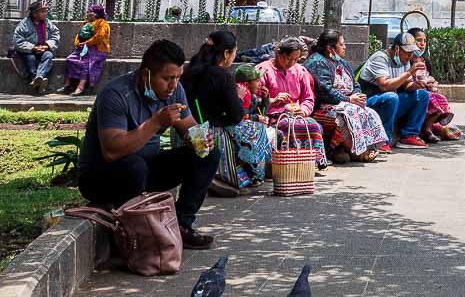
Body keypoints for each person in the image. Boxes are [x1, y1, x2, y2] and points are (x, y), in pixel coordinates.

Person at [76, 39, 218, 249]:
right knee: (135, 166)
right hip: (102, 176)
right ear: (146, 75)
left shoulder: (174, 91)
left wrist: (198, 140)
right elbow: (112, 151)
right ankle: (132, 236)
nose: (173, 85)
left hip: (145, 169)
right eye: (167, 78)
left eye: (178, 78)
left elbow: (189, 126)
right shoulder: (116, 94)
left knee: (208, 156)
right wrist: (155, 123)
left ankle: (180, 225)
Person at [181, 31, 271, 196]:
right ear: (226, 53)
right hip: (211, 132)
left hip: (187, 130)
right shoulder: (221, 76)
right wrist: (238, 97)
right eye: (235, 51)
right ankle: (237, 176)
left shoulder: (189, 71)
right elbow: (236, 116)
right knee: (257, 130)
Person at [305, 29, 389, 162]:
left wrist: (357, 96)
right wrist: (348, 99)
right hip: (324, 106)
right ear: (330, 48)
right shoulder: (317, 62)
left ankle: (365, 146)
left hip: (345, 102)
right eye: (341, 44)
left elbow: (355, 84)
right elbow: (324, 90)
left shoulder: (342, 62)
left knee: (368, 112)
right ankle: (358, 152)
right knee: (348, 114)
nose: (345, 47)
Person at [256, 36, 328, 169]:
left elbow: (308, 98)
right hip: (272, 117)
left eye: (296, 59)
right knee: (290, 126)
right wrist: (272, 100)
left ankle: (309, 162)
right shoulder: (263, 71)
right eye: (289, 58)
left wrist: (304, 110)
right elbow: (253, 101)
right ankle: (288, 163)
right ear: (278, 53)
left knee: (313, 125)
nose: (292, 63)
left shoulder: (300, 71)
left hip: (296, 114)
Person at [358, 33, 430, 149]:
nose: (409, 56)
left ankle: (409, 135)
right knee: (391, 96)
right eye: (407, 52)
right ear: (397, 48)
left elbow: (407, 85)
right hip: (370, 103)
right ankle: (382, 140)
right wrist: (409, 73)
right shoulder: (380, 58)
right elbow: (384, 86)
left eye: (411, 52)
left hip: (391, 103)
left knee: (422, 95)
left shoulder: (405, 62)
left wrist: (417, 85)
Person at [409, 28, 461, 142]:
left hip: (425, 90)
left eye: (425, 41)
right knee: (432, 98)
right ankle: (425, 130)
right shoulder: (407, 60)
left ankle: (427, 127)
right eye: (419, 40)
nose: (422, 44)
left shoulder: (425, 60)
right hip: (412, 92)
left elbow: (429, 77)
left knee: (439, 99)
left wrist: (432, 83)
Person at [10, 0, 60, 94]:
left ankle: (38, 78)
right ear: (35, 13)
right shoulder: (24, 24)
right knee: (31, 58)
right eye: (42, 11)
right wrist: (33, 48)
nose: (45, 14)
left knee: (48, 55)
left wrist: (46, 46)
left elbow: (55, 35)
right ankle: (36, 80)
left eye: (45, 11)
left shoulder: (47, 23)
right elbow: (18, 41)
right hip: (28, 51)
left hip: (43, 49)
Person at [63, 4, 111, 96]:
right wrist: (78, 43)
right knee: (70, 59)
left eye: (90, 12)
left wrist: (87, 43)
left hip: (98, 50)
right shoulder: (86, 23)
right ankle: (68, 84)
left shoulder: (103, 23)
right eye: (88, 12)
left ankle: (81, 87)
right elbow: (79, 35)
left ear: (96, 14)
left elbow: (99, 37)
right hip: (84, 48)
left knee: (86, 63)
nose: (88, 14)